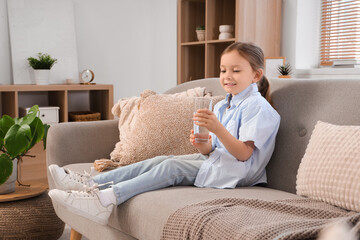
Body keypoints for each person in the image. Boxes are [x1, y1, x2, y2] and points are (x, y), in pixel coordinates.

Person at [48, 42, 281, 225]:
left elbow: (243, 155)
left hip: (239, 173)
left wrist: (217, 129)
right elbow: (217, 150)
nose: (227, 76)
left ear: (256, 75)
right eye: (223, 70)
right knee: (162, 160)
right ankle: (90, 182)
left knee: (172, 168)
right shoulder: (223, 105)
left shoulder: (258, 107)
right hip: (220, 162)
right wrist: (204, 145)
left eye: (236, 70)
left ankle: (105, 200)